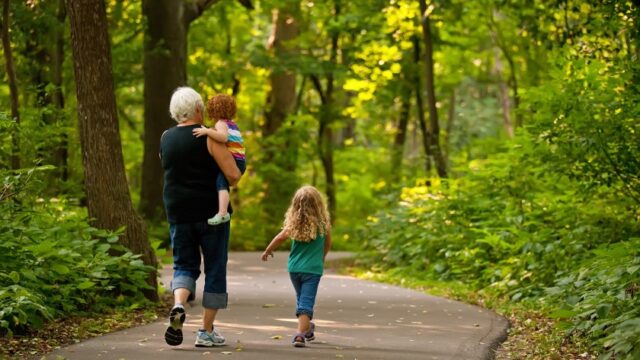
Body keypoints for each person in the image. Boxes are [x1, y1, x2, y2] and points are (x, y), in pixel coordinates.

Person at [160, 87, 242, 348]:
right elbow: (233, 175)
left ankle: (178, 304)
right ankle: (205, 331)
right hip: (211, 214)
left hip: (178, 213)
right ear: (197, 109)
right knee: (215, 268)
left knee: (183, 265)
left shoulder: (165, 138)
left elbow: (167, 164)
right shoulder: (209, 138)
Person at [260, 185, 332, 348]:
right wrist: (321, 258)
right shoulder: (323, 225)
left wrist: (268, 250)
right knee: (305, 302)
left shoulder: (294, 224)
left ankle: (307, 327)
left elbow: (279, 238)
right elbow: (327, 244)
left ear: (296, 205)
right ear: (318, 204)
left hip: (294, 269)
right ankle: (300, 334)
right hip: (313, 270)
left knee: (302, 299)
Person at [193, 94, 246, 226]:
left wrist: (207, 132)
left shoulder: (221, 124)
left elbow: (223, 138)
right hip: (240, 162)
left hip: (234, 162)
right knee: (222, 183)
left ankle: (222, 213)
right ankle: (223, 211)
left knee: (220, 183)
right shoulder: (232, 124)